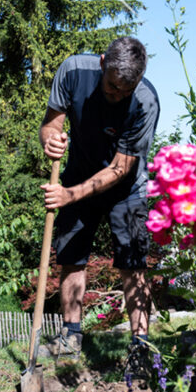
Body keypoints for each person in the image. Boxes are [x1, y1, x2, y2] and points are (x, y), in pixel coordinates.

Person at [37, 36, 159, 362]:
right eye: (111, 87)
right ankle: (70, 338)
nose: (117, 95)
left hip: (126, 186)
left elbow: (120, 169)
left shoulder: (146, 102)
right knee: (72, 257)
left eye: (124, 91)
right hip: (78, 171)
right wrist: (50, 141)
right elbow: (51, 123)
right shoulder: (74, 71)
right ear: (103, 62)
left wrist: (69, 195)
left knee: (133, 264)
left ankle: (141, 346)